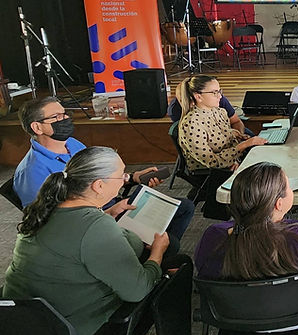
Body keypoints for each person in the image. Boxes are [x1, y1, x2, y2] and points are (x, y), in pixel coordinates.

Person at [3, 147, 193, 335]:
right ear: (99, 185)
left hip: (25, 322)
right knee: (178, 267)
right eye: (121, 175)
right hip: (73, 334)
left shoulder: (44, 210)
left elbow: (76, 242)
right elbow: (138, 290)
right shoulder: (95, 228)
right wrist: (157, 253)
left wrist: (106, 214)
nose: (124, 180)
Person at [13, 96, 193, 244]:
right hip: (91, 223)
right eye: (57, 117)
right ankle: (150, 254)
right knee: (170, 243)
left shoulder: (72, 144)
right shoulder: (31, 172)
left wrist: (132, 178)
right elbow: (48, 225)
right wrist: (107, 214)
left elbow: (99, 175)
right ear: (37, 127)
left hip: (111, 204)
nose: (65, 119)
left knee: (184, 207)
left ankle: (151, 249)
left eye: (65, 114)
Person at [194, 161, 298, 289]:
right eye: (289, 186)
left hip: (232, 315)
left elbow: (205, 271)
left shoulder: (213, 237)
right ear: (279, 203)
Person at [176, 75, 267, 172]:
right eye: (214, 93)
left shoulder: (220, 112)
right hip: (213, 172)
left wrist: (238, 137)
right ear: (198, 97)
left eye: (219, 91)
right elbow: (211, 161)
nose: (220, 96)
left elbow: (227, 143)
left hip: (231, 163)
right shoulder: (191, 124)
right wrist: (244, 145)